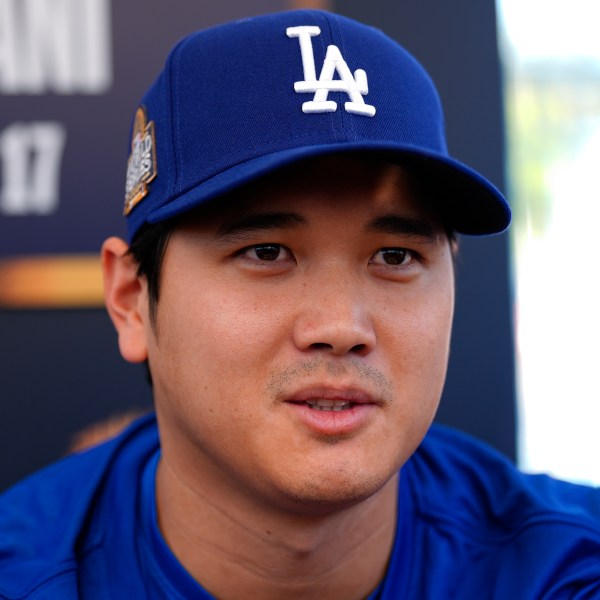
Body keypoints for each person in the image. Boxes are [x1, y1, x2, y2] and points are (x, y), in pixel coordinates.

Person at [1, 9, 599, 599]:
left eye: (394, 257)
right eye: (266, 252)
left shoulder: (568, 566)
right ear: (132, 300)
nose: (341, 327)